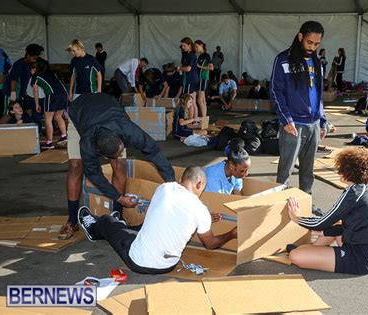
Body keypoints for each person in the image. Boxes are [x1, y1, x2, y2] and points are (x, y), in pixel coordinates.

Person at [78, 166, 237, 275]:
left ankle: (93, 230)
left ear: (181, 178)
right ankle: (121, 228)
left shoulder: (164, 188)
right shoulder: (201, 210)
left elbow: (169, 213)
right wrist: (231, 233)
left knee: (107, 220)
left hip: (137, 261)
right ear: (200, 183)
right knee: (140, 228)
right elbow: (211, 243)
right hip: (167, 266)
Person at [60, 93, 175, 240]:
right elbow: (94, 173)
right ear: (99, 152)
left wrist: (172, 183)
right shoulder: (87, 144)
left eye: (121, 149)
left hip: (108, 107)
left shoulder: (128, 129)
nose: (121, 152)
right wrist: (119, 197)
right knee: (76, 166)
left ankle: (117, 215)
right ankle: (72, 221)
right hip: (79, 113)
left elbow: (153, 151)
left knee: (120, 164)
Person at [286, 147, 368, 275]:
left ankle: (309, 252)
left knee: (296, 256)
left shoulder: (354, 193)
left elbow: (323, 222)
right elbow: (338, 223)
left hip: (360, 258)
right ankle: (313, 251)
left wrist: (296, 217)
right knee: (335, 224)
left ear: (347, 173)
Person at [270, 21, 327, 200]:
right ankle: (280, 203)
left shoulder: (317, 62)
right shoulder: (283, 59)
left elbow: (318, 94)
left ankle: (306, 203)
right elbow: (275, 91)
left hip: (314, 124)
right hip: (293, 124)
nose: (312, 47)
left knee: (308, 170)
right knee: (286, 169)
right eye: (309, 42)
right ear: (300, 36)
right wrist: (286, 119)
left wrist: (323, 119)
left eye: (317, 44)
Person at [31, 58, 68, 150]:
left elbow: (35, 91)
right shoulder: (52, 73)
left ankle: (49, 142)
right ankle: (64, 135)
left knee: (48, 119)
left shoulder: (36, 77)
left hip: (52, 96)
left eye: (32, 68)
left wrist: (37, 104)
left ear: (36, 69)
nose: (31, 70)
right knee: (58, 116)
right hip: (63, 94)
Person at [3, 44, 43, 118]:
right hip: (11, 92)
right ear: (28, 55)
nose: (35, 60)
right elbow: (13, 80)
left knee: (28, 111)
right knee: (9, 114)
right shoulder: (19, 64)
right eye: (33, 58)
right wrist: (13, 95)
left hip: (22, 94)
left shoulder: (29, 64)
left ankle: (28, 127)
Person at [179, 37, 200, 118]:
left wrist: (179, 68)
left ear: (189, 45)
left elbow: (188, 68)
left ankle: (190, 120)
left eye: (184, 45)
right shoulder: (189, 55)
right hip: (194, 79)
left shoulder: (191, 55)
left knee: (189, 101)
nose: (183, 47)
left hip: (190, 80)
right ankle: (194, 120)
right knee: (193, 102)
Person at [195, 40, 213, 117]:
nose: (195, 48)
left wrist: (199, 66)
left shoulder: (206, 55)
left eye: (197, 46)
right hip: (200, 78)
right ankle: (204, 118)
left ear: (201, 45)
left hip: (203, 78)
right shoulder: (200, 55)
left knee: (200, 100)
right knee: (202, 100)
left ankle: (203, 118)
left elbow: (211, 68)